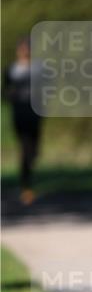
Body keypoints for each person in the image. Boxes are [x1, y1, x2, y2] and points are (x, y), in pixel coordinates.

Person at [4, 37, 42, 205]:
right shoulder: (11, 70)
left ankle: (28, 170)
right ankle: (26, 187)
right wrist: (12, 96)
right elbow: (4, 91)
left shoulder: (37, 69)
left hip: (34, 113)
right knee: (25, 148)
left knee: (33, 150)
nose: (25, 52)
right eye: (23, 49)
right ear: (18, 50)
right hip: (19, 113)